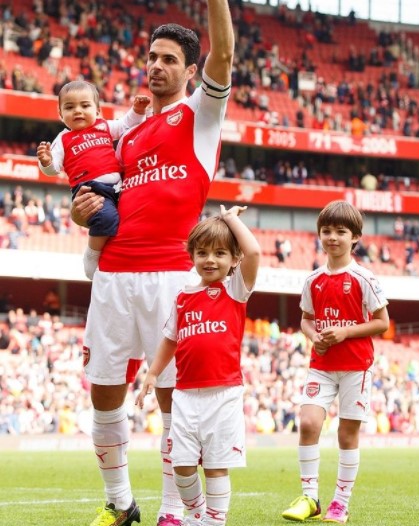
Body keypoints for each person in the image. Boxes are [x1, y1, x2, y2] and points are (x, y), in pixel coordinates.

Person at [70, 4, 235, 526]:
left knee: (174, 405)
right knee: (103, 395)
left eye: (168, 59)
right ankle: (120, 503)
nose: (156, 66)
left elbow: (225, 52)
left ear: (191, 71)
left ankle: (170, 509)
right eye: (151, 57)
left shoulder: (200, 116)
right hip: (114, 274)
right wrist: (81, 209)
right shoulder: (129, 134)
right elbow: (100, 194)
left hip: (171, 274)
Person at [137, 204, 261, 526]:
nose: (210, 259)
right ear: (192, 255)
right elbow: (169, 339)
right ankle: (195, 513)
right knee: (181, 466)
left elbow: (255, 253)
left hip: (223, 395)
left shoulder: (235, 290)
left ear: (233, 260)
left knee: (217, 465)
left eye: (220, 253)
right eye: (202, 252)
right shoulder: (183, 297)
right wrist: (152, 373)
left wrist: (231, 219)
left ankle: (213, 520)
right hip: (185, 396)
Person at [282, 200, 389, 524]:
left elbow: (382, 322)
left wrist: (344, 332)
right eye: (326, 231)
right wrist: (314, 336)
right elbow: (305, 320)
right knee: (309, 423)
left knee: (346, 433)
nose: (332, 237)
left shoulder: (363, 278)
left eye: (340, 232)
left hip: (357, 366)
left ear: (355, 237)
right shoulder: (312, 279)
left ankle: (340, 502)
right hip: (322, 364)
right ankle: (310, 497)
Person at [37, 80, 150, 279]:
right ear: (60, 114)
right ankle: (92, 254)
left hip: (118, 188)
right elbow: (53, 169)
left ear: (98, 110)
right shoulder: (63, 139)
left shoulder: (104, 126)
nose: (78, 111)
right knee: (107, 218)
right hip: (90, 190)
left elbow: (125, 124)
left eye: (85, 105)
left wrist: (138, 110)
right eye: (70, 107)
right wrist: (46, 161)